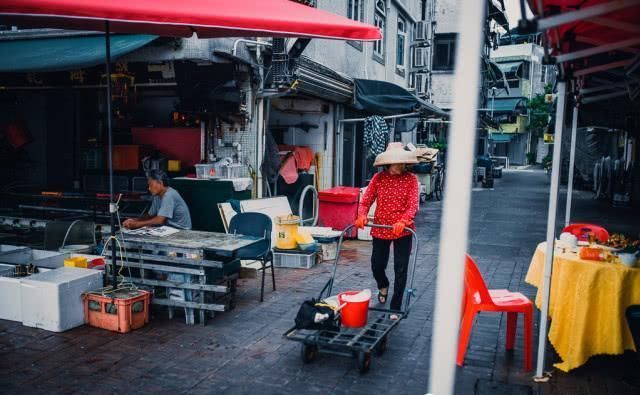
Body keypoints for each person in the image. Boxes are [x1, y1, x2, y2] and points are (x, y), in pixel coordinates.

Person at [354, 142, 419, 320]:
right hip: (381, 228)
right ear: (388, 163)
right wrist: (362, 215)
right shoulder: (378, 179)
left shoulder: (411, 179)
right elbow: (365, 201)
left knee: (401, 267)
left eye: (402, 162)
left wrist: (404, 220)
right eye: (397, 162)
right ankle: (383, 285)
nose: (400, 165)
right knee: (377, 264)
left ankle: (395, 306)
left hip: (403, 230)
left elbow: (413, 205)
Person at [123, 170, 192, 230]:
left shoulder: (169, 195)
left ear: (160, 183)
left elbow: (159, 220)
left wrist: (137, 224)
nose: (149, 188)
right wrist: (135, 220)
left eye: (151, 185)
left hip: (181, 230)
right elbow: (150, 215)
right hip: (169, 228)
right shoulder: (157, 195)